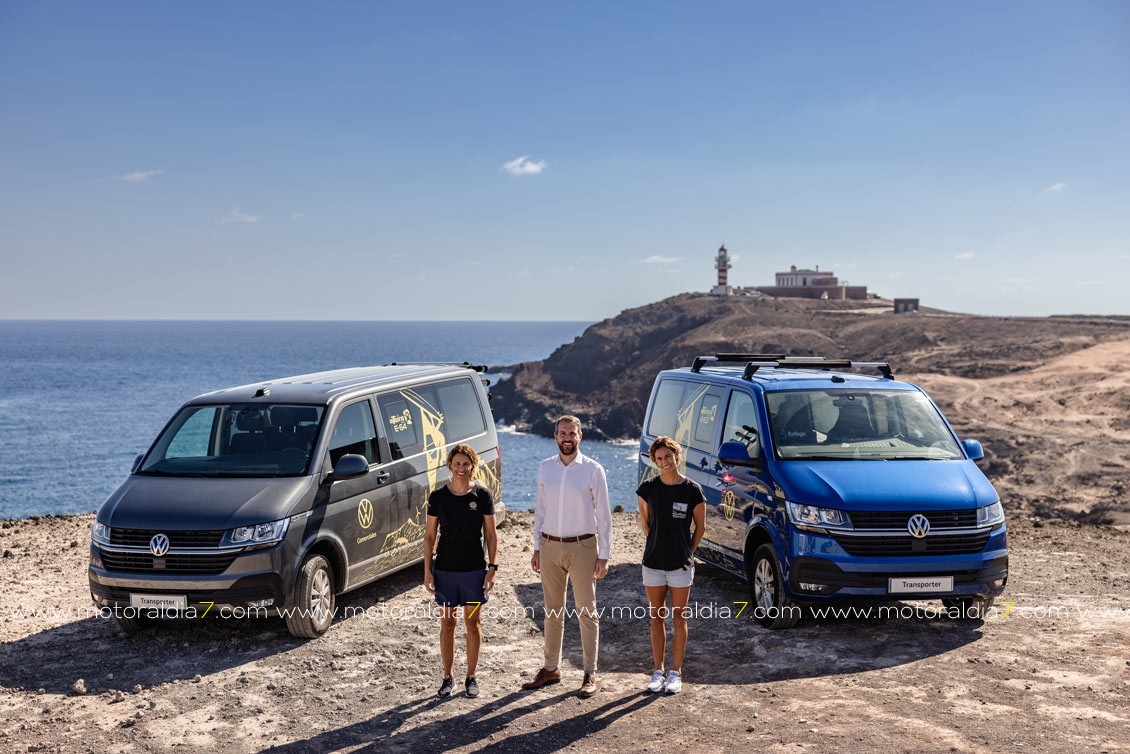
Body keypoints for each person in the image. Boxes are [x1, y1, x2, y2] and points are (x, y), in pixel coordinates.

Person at [521, 415, 613, 698]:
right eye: (562, 433)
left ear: (580, 436)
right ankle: (551, 669)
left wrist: (604, 555)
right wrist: (536, 547)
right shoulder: (544, 468)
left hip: (583, 547)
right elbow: (541, 510)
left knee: (587, 611)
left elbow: (604, 516)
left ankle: (589, 673)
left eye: (572, 433)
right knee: (552, 612)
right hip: (549, 547)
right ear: (555, 436)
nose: (567, 437)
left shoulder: (593, 470)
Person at [423, 444, 498, 698]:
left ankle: (471, 677)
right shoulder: (438, 497)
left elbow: (491, 534)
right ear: (450, 465)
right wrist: (428, 570)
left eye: (466, 464)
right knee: (447, 623)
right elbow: (429, 536)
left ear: (472, 465)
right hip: (445, 572)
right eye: (457, 464)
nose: (462, 468)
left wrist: (492, 567)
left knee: (473, 623)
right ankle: (447, 677)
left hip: (474, 572)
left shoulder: (482, 496)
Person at [636, 436, 705, 694]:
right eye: (659, 458)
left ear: (677, 456)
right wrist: (658, 544)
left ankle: (676, 673)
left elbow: (701, 527)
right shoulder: (648, 488)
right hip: (653, 563)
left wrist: (688, 551)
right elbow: (645, 523)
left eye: (668, 456)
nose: (664, 462)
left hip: (681, 565)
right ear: (654, 461)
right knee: (656, 619)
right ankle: (658, 672)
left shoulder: (692, 490)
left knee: (679, 617)